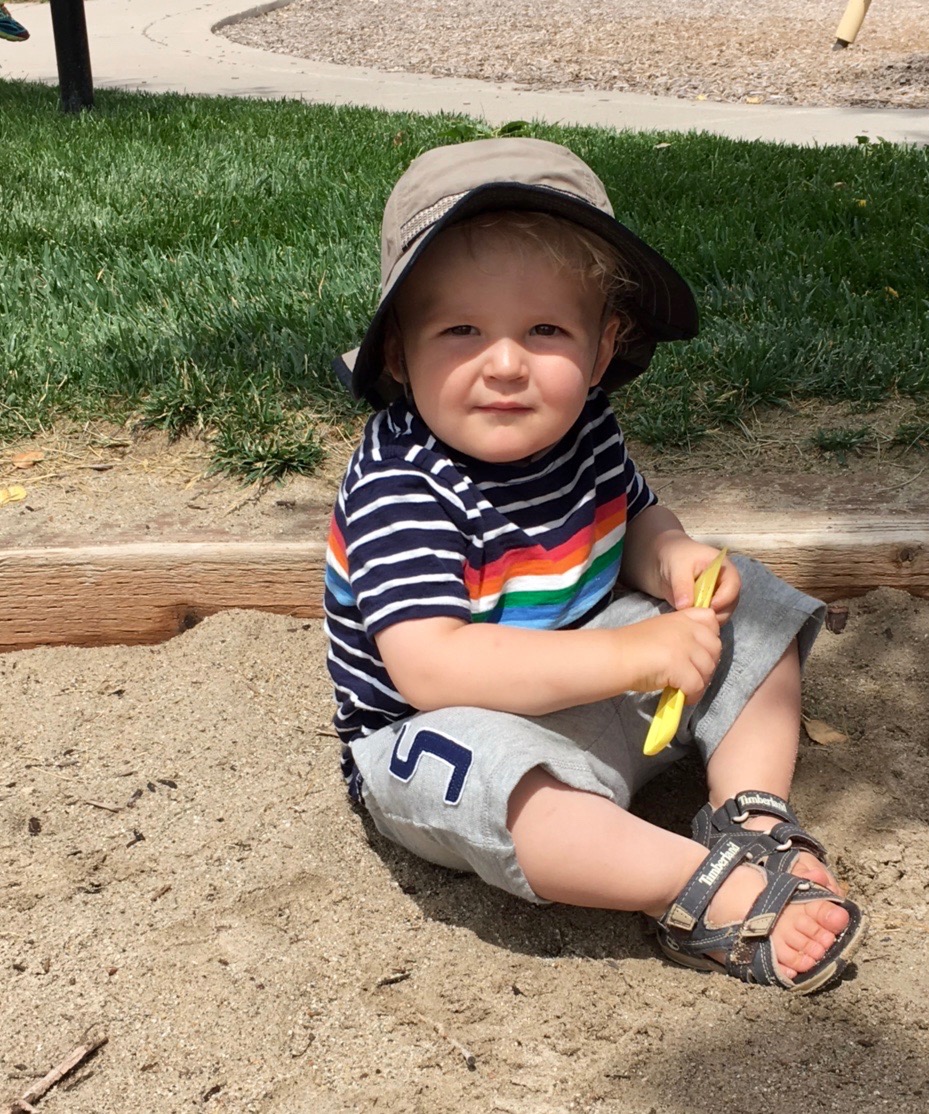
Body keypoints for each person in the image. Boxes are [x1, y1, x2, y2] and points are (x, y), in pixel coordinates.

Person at [324, 137, 865, 993]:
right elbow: (431, 667)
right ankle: (692, 886)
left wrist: (674, 558)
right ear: (398, 351)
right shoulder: (403, 485)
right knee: (487, 783)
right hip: (451, 727)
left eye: (545, 330)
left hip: (595, 687)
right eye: (461, 330)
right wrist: (629, 655)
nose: (506, 363)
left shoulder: (586, 428)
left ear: (603, 347)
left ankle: (752, 817)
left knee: (753, 602)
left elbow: (635, 518)